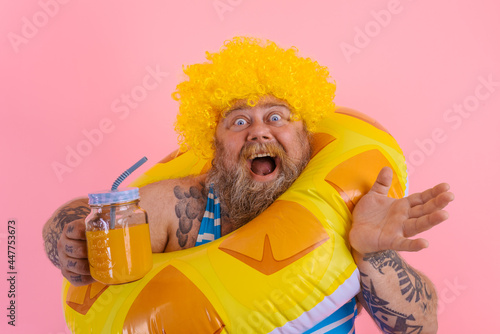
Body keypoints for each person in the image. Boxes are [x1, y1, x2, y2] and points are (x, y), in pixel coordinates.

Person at [43, 37, 453, 333]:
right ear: (213, 144)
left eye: (277, 117)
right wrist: (63, 233)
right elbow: (95, 215)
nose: (259, 132)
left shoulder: (343, 209)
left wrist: (375, 254)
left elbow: (420, 328)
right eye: (238, 121)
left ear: (304, 136)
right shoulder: (187, 205)